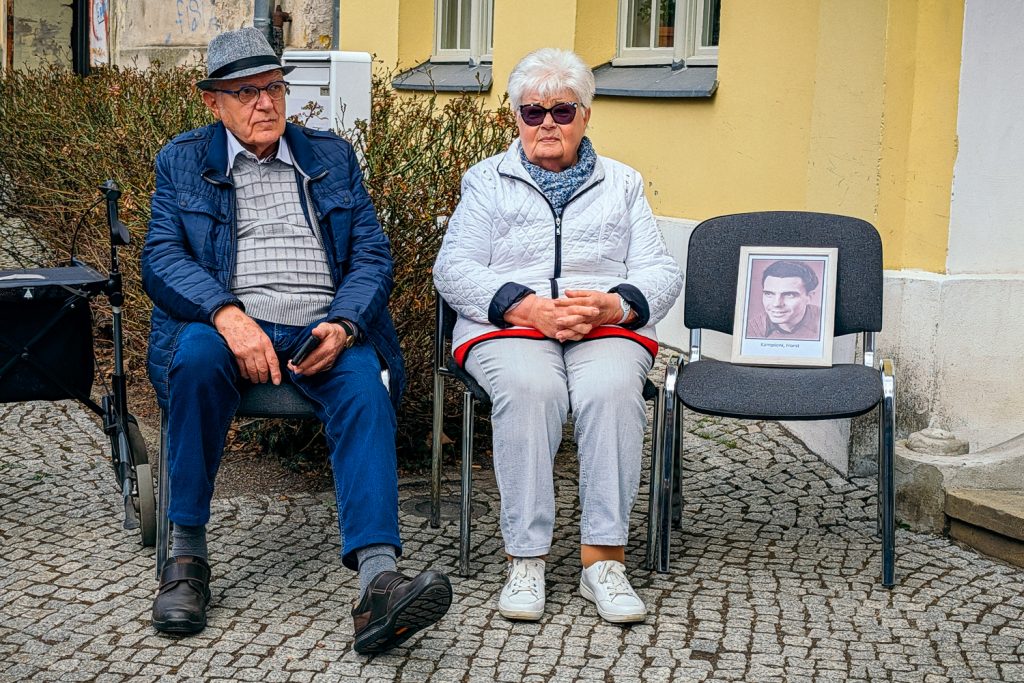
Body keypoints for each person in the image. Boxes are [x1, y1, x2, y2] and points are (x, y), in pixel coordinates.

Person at [141, 26, 451, 654]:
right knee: (196, 358)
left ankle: (378, 584)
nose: (266, 104)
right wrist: (226, 316)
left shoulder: (330, 157)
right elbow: (160, 259)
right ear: (214, 103)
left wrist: (344, 323)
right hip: (230, 329)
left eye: (275, 88)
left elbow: (371, 254)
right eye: (247, 92)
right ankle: (187, 559)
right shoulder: (182, 161)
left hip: (322, 327)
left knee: (365, 384)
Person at [433, 48, 683, 624]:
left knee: (612, 392)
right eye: (533, 111)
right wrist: (524, 308)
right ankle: (527, 558)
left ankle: (604, 562)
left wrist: (616, 306)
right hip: (511, 327)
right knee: (530, 389)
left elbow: (662, 272)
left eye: (563, 111)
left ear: (586, 116)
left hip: (603, 330)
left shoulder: (622, 183)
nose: (547, 122)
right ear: (515, 118)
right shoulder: (486, 181)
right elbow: (454, 268)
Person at [746, 260, 822, 340]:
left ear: (809, 297)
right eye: (769, 294)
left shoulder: (826, 322)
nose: (776, 304)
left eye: (789, 295)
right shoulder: (752, 329)